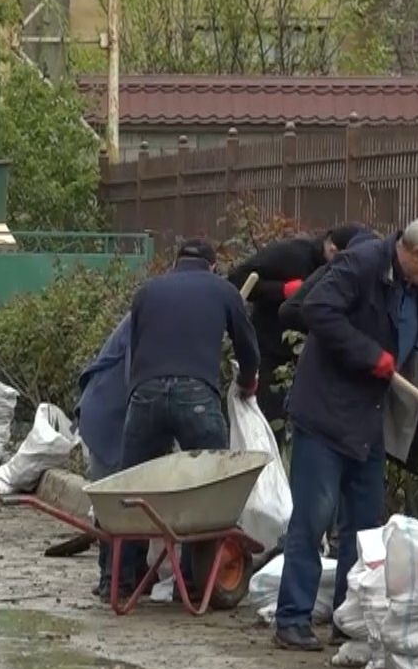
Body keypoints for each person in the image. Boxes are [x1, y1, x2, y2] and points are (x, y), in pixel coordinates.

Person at [273, 212, 418, 652]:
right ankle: (292, 618)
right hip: (324, 415)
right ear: (416, 253)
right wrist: (369, 354)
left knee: (364, 528)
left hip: (367, 421)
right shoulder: (361, 265)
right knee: (313, 518)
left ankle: (350, 618)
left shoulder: (416, 291)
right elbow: (315, 308)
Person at [113, 239, 260, 599]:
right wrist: (247, 382)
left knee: (131, 488)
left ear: (176, 262)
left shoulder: (147, 291)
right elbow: (247, 347)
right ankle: (196, 584)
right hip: (196, 393)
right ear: (212, 265)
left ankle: (118, 580)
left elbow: (136, 344)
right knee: (209, 488)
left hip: (144, 393)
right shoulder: (224, 290)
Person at [229, 225, 366, 424]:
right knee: (271, 419)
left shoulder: (347, 272)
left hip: (312, 358)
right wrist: (282, 290)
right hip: (272, 351)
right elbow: (237, 280)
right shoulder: (291, 254)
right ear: (331, 248)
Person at [75, 314, 132, 599]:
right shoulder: (146, 321)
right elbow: (136, 377)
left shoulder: (151, 312)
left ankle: (119, 578)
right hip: (107, 416)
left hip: (108, 411)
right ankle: (113, 579)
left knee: (117, 500)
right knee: (115, 501)